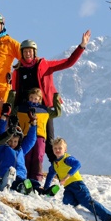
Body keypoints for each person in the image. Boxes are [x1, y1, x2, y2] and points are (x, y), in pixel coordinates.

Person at [11, 31, 90, 164]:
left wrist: (81, 46)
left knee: (48, 140)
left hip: (43, 110)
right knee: (21, 139)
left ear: (34, 52)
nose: (28, 54)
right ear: (22, 53)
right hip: (24, 110)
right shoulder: (18, 71)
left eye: (30, 51)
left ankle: (57, 168)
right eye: (25, 51)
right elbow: (14, 90)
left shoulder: (44, 65)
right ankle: (20, 169)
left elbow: (68, 62)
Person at [44, 137, 111, 221]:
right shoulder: (55, 164)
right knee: (66, 202)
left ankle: (110, 218)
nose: (57, 150)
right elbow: (50, 175)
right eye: (55, 148)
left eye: (60, 148)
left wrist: (67, 176)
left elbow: (77, 164)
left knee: (87, 201)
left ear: (65, 149)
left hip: (77, 185)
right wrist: (45, 188)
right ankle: (76, 200)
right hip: (68, 188)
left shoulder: (67, 159)